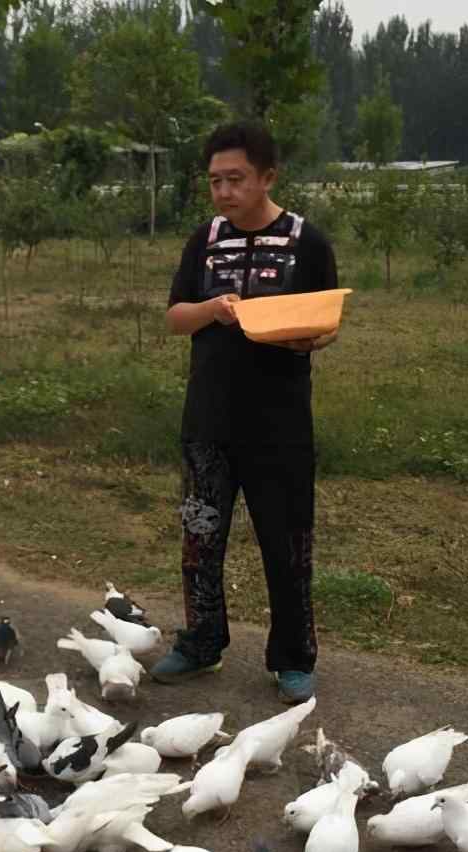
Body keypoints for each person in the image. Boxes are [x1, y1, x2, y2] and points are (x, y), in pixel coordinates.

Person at [152, 121, 339, 703]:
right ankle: (202, 644)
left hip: (280, 425)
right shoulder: (204, 240)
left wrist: (305, 338)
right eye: (215, 181)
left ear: (268, 177)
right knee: (201, 540)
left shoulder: (307, 242)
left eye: (236, 179)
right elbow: (175, 317)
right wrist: (211, 308)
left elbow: (327, 323)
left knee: (287, 545)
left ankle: (293, 658)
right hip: (208, 421)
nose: (224, 191)